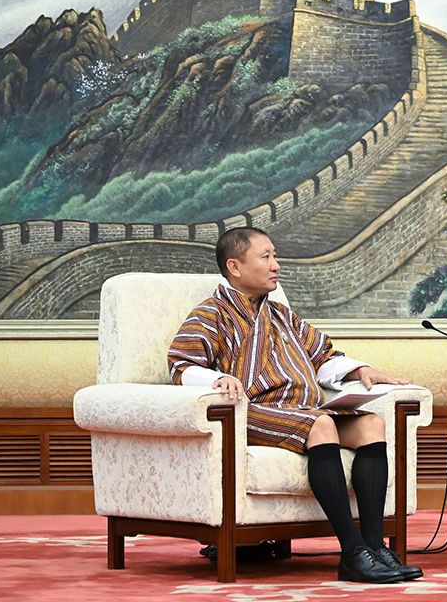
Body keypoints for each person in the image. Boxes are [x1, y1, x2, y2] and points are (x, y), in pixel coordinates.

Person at [167, 227, 423, 584]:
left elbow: (323, 357)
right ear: (235, 267)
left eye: (275, 256)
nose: (276, 265)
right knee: (321, 424)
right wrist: (217, 379)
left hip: (302, 411)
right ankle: (352, 553)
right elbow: (180, 365)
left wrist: (359, 370)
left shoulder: (282, 315)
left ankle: (374, 547)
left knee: (371, 425)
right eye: (266, 257)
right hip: (250, 411)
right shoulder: (211, 313)